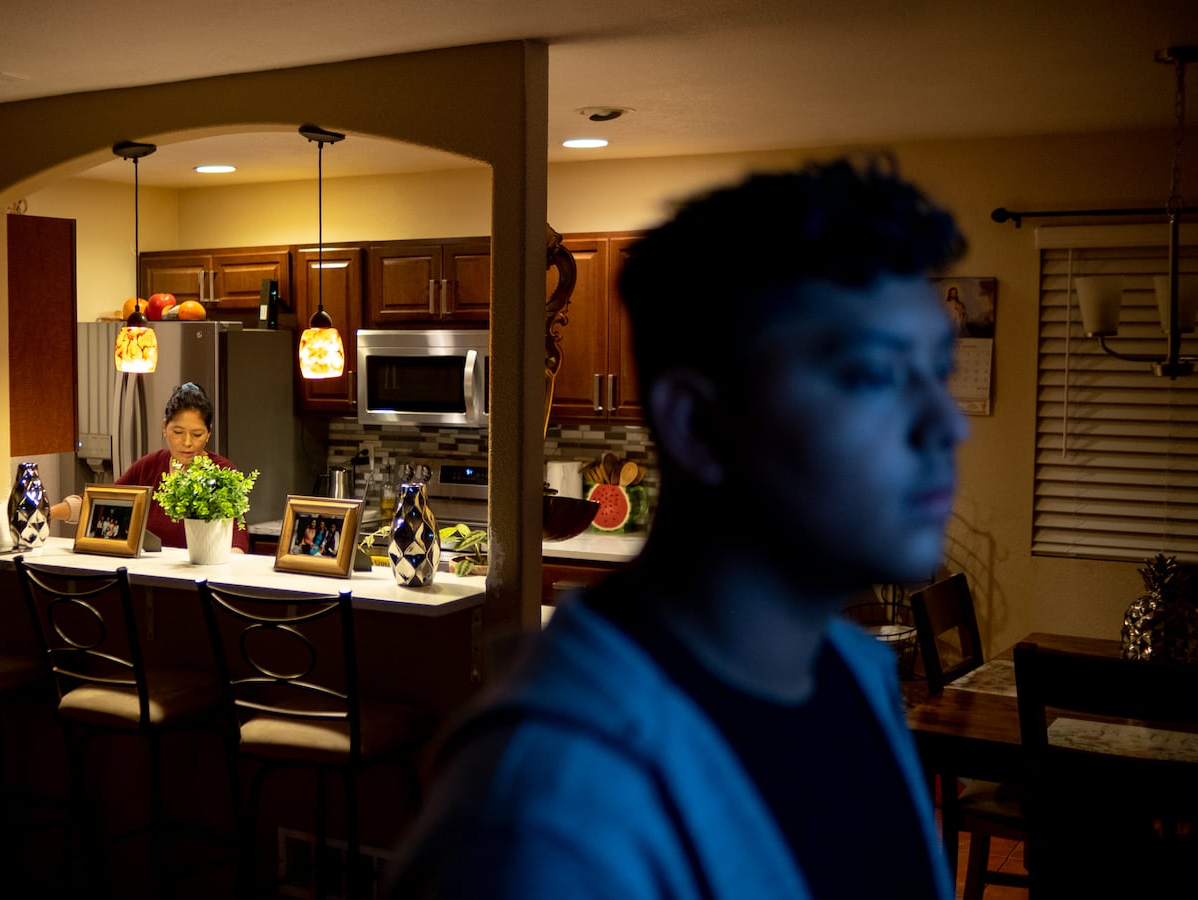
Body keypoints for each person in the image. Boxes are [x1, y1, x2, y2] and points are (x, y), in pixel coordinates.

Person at [387, 156, 967, 899]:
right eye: (874, 376)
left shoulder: (859, 675)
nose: (944, 424)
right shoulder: (549, 810)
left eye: (937, 372)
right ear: (696, 424)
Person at [54, 382, 248, 552]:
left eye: (197, 434)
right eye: (178, 432)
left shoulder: (222, 472)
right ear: (164, 427)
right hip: (152, 576)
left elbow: (238, 530)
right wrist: (49, 512)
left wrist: (234, 556)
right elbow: (103, 500)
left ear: (209, 433)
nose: (187, 442)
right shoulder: (149, 466)